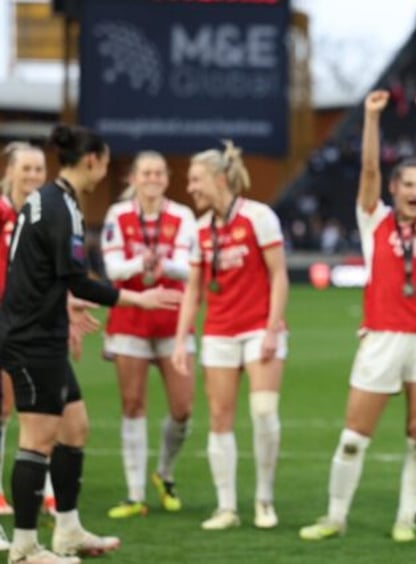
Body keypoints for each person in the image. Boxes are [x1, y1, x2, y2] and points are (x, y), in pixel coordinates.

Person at [0, 125, 181, 563]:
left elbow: (42, 270)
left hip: (43, 331)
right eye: (104, 161)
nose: (106, 171)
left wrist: (67, 303)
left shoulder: (48, 199)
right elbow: (75, 275)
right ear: (92, 160)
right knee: (37, 440)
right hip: (32, 339)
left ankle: (68, 530)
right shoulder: (61, 207)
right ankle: (25, 549)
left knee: (75, 428)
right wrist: (137, 297)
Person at [299, 89, 416, 543]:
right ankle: (335, 516)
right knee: (354, 436)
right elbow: (367, 168)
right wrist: (369, 118)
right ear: (393, 189)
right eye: (409, 185)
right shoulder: (374, 221)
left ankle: (406, 516)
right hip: (382, 337)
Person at [172, 141, 289, 531]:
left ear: (219, 179)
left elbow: (278, 275)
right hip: (219, 333)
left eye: (195, 179)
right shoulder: (200, 229)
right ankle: (226, 507)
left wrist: (273, 328)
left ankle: (264, 499)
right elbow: (192, 288)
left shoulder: (258, 217)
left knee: (263, 412)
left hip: (259, 329)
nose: (190, 187)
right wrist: (180, 339)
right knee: (220, 417)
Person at [100, 151, 197, 519]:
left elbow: (191, 269)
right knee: (132, 404)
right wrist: (142, 263)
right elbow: (112, 268)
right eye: (146, 173)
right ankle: (134, 493)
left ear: (167, 178)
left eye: (159, 172)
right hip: (130, 316)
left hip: (173, 317)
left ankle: (165, 473)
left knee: (183, 408)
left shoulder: (182, 216)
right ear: (134, 178)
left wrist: (164, 264)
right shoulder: (117, 215)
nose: (153, 178)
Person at [0, 141, 60, 521]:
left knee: (39, 406)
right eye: (26, 168)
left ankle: (45, 489)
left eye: (39, 169)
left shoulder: (45, 216)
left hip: (35, 324)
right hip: (8, 321)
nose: (34, 176)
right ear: (8, 172)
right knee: (6, 405)